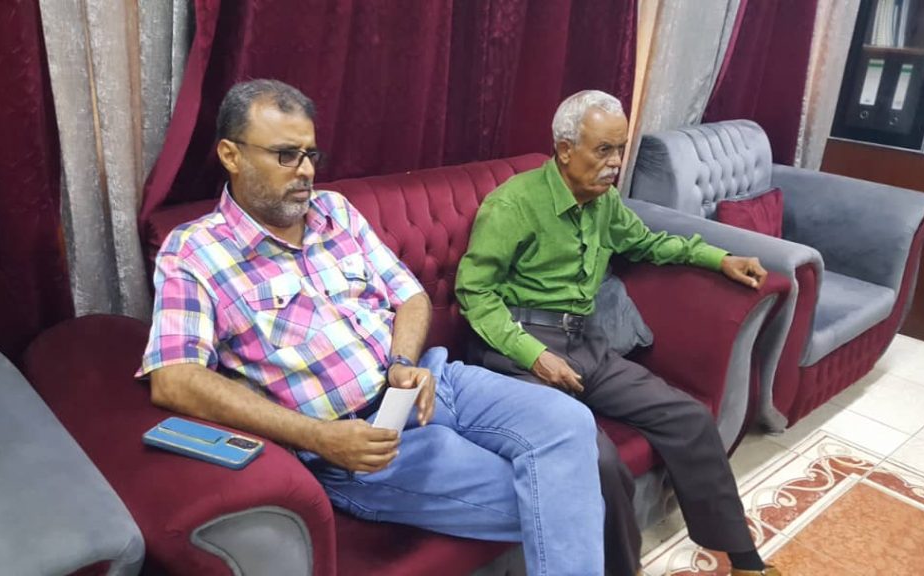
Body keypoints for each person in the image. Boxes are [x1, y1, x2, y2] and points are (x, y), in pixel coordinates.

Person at [138, 79, 605, 575]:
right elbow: (175, 378)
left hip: (430, 381)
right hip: (360, 440)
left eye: (311, 154)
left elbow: (410, 296)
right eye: (286, 155)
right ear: (231, 155)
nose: (306, 170)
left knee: (570, 422)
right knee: (559, 499)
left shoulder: (335, 211)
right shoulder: (194, 252)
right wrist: (318, 437)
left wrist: (403, 361)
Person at [455, 90, 780, 576]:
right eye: (603, 150)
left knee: (688, 417)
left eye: (621, 149)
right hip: (520, 354)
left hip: (586, 344)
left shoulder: (604, 202)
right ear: (565, 149)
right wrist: (534, 355)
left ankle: (743, 560)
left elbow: (648, 242)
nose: (615, 163)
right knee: (596, 458)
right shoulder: (513, 204)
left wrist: (721, 259)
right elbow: (474, 293)